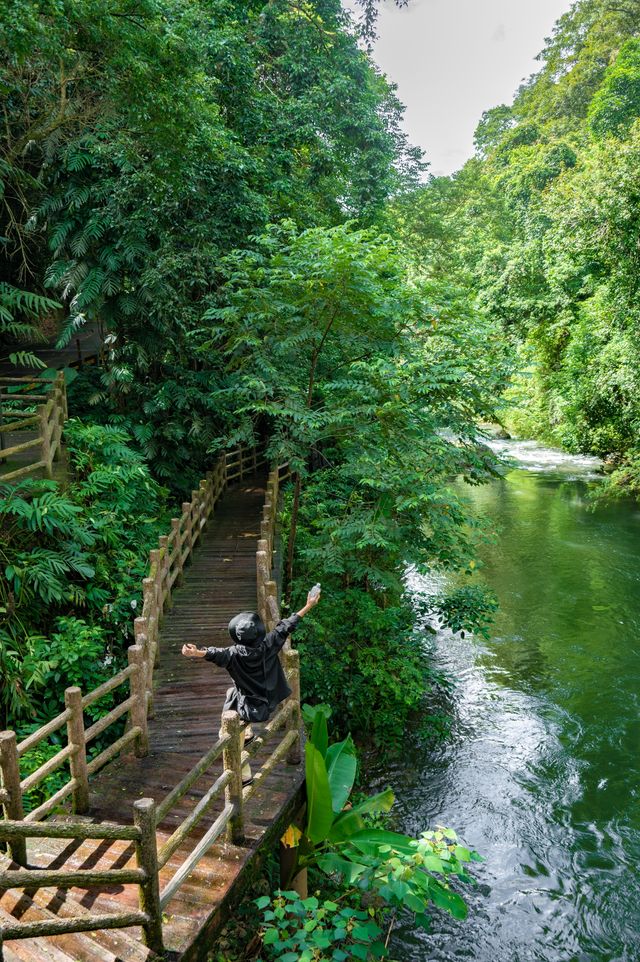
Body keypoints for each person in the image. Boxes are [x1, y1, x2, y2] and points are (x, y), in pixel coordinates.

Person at [181, 588, 321, 784]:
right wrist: (308, 604)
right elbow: (286, 625)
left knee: (225, 735)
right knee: (231, 691)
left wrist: (195, 652)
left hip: (250, 707)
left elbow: (213, 653)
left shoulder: (232, 655)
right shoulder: (269, 645)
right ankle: (247, 734)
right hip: (268, 701)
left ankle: (244, 776)